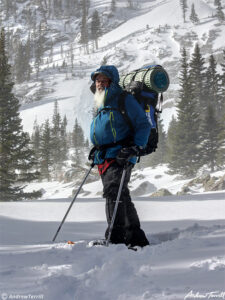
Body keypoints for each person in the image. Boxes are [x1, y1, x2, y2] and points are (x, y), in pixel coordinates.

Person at [89, 65, 151, 247]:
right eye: (97, 80)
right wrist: (97, 147)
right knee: (121, 194)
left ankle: (115, 238)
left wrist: (134, 147)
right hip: (104, 155)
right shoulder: (102, 102)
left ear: (112, 82)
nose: (99, 84)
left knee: (113, 193)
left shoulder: (124, 99)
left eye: (103, 80)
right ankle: (135, 237)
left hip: (121, 154)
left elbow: (143, 125)